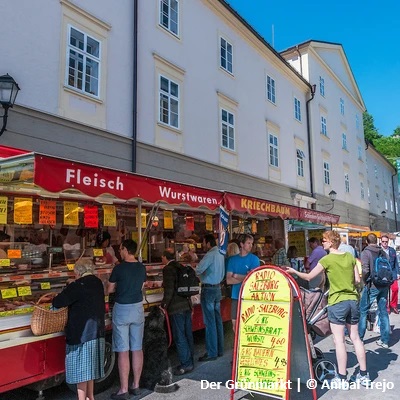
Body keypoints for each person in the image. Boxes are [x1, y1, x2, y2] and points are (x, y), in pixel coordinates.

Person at [286, 230, 370, 388]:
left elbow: (309, 276)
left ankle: (343, 378)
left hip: (337, 302)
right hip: (352, 300)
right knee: (356, 338)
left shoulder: (327, 259)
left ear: (331, 242)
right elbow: (358, 280)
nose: (322, 243)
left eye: (324, 240)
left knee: (339, 342)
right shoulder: (350, 257)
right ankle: (364, 375)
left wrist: (294, 272)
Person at [52, 259, 105, 400]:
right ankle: (90, 397)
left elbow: (58, 302)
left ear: (77, 272)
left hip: (81, 335)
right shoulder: (98, 282)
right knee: (90, 371)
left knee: (81, 372)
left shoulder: (77, 285)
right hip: (96, 332)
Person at [107, 239, 147, 399]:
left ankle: (123, 389)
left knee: (123, 350)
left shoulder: (119, 268)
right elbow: (142, 287)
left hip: (122, 309)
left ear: (125, 250)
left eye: (121, 249)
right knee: (137, 347)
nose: (119, 252)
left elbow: (110, 289)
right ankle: (135, 385)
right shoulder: (141, 267)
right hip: (137, 308)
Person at [161, 249, 194, 375]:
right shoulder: (180, 266)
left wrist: (164, 305)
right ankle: (190, 361)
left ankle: (186, 364)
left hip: (176, 307)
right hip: (186, 304)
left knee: (180, 337)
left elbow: (169, 290)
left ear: (164, 257)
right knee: (187, 334)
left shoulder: (168, 269)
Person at [358, 233, 391, 349]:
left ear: (367, 242)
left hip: (372, 286)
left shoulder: (366, 252)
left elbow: (365, 269)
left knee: (363, 311)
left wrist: (365, 281)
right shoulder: (383, 252)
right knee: (383, 311)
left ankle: (359, 339)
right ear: (377, 241)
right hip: (384, 284)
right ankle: (385, 340)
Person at [195, 234, 225, 361]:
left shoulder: (210, 254)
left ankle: (212, 352)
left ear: (208, 243)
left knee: (210, 322)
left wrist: (199, 270)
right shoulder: (220, 253)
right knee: (218, 320)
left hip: (208, 289)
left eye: (204, 242)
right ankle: (220, 349)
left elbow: (198, 269)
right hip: (218, 288)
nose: (203, 245)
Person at [226, 234, 260, 333]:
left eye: (251, 243)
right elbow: (228, 280)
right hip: (236, 296)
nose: (251, 246)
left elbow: (253, 279)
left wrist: (236, 276)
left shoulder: (254, 259)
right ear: (241, 244)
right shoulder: (232, 260)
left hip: (249, 296)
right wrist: (245, 277)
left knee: (249, 324)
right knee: (235, 325)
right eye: (248, 243)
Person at [381, 235, 399, 314]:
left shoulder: (392, 250)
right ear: (381, 242)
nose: (385, 243)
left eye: (386, 242)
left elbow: (396, 263)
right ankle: (386, 306)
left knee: (395, 289)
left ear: (388, 242)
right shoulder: (379, 251)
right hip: (383, 274)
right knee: (385, 291)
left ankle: (394, 305)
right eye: (383, 241)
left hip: (392, 273)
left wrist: (398, 273)